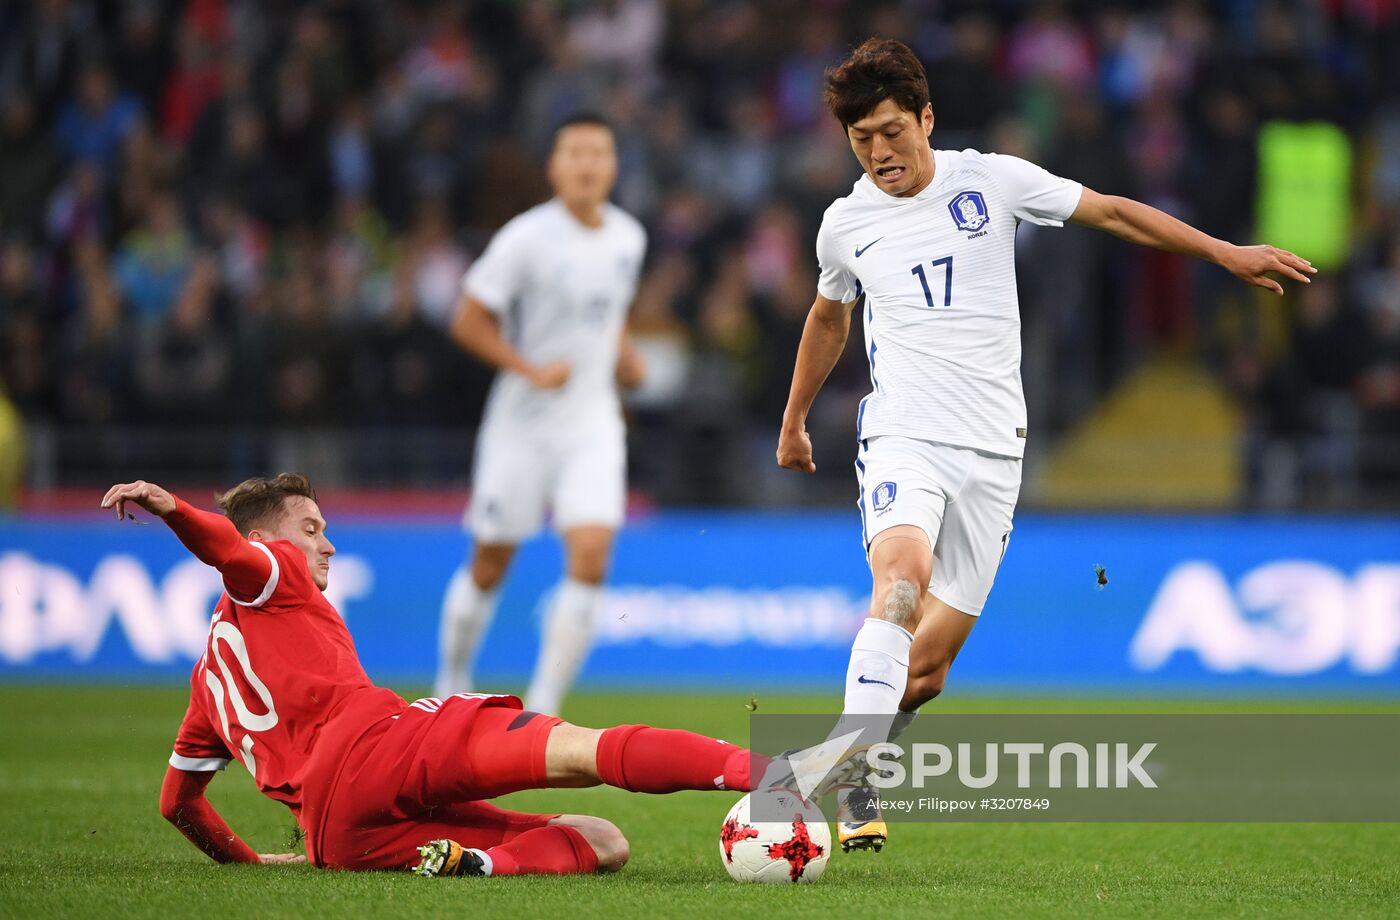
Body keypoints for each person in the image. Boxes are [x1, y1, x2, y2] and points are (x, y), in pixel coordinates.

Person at [774, 38, 1315, 853]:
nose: (880, 152)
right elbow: (828, 317)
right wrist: (793, 419)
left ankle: (807, 770)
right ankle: (853, 778)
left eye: (892, 131)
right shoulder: (844, 224)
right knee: (898, 585)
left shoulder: (991, 180)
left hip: (993, 452)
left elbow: (1116, 213)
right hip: (904, 437)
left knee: (925, 674)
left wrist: (1221, 251)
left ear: (926, 117)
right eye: (861, 140)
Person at [103, 474, 756, 876]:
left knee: (602, 841)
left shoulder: (205, 687)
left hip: (340, 838)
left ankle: (480, 867)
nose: (325, 544)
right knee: (584, 750)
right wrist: (171, 508)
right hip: (375, 748)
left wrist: (253, 863)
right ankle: (794, 769)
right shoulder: (276, 569)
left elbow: (177, 804)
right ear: (268, 539)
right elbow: (228, 550)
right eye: (311, 529)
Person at [435, 113, 646, 714]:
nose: (586, 164)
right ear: (554, 167)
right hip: (521, 425)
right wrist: (529, 368)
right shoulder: (525, 237)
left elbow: (610, 312)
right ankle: (449, 682)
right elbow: (468, 320)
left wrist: (624, 357)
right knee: (491, 560)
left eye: (597, 153)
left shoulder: (629, 237)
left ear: (613, 166)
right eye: (574, 153)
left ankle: (544, 708)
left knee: (591, 556)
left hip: (592, 425)